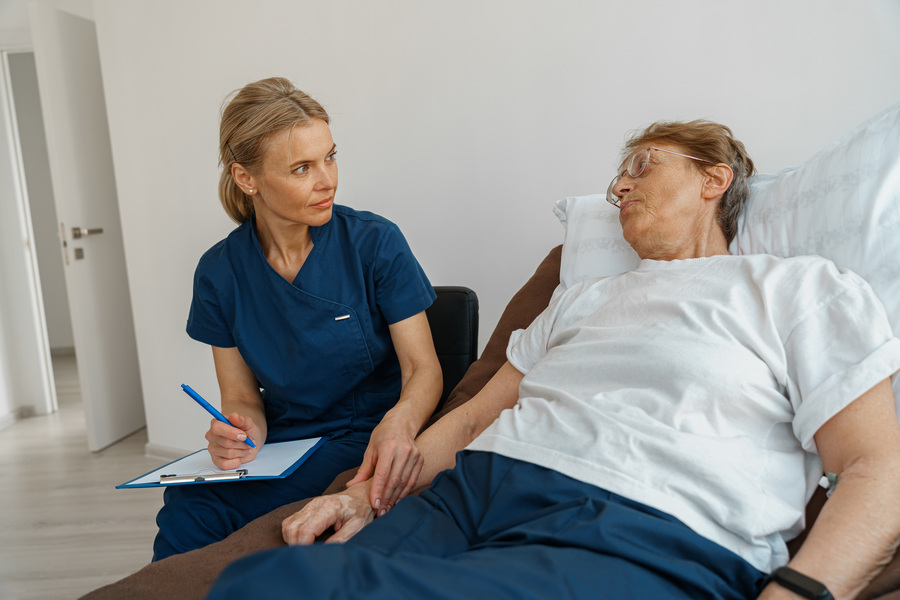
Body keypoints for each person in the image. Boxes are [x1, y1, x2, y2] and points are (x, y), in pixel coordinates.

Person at [206, 120, 900, 600]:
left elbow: (879, 466)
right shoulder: (583, 297)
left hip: (630, 528)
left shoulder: (796, 288)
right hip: (462, 503)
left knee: (270, 588)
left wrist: (798, 591)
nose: (619, 188)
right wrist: (364, 496)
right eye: (615, 179)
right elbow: (475, 415)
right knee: (262, 580)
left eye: (641, 166)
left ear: (715, 178)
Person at [152, 77, 442, 561]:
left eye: (330, 157)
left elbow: (423, 369)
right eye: (302, 168)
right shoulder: (219, 273)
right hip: (286, 443)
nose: (327, 179)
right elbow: (242, 398)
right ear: (247, 178)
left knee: (219, 511)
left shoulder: (375, 243)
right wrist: (239, 436)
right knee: (187, 503)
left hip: (368, 436)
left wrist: (399, 424)